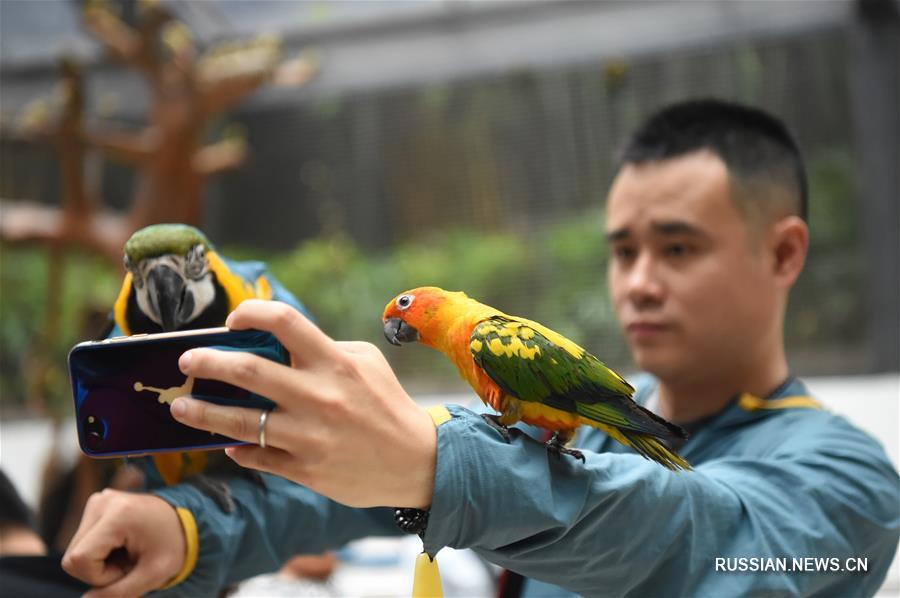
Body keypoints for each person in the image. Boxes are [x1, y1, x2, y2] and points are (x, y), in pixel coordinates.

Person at [62, 100, 900, 597]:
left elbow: (706, 536)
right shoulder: (537, 407)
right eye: (621, 250)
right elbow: (339, 492)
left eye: (677, 248)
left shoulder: (853, 486)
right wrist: (189, 529)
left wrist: (436, 467)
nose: (639, 282)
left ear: (786, 253)